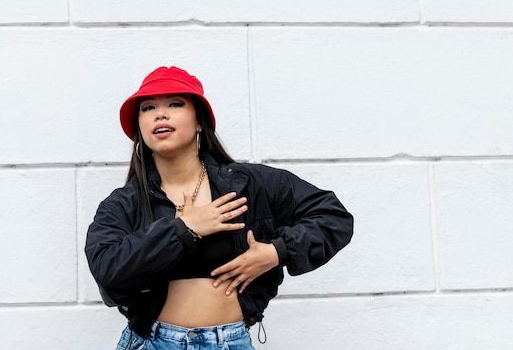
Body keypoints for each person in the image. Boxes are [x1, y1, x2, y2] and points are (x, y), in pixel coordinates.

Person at [85, 66, 354, 350]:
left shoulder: (251, 184)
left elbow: (333, 217)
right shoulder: (122, 203)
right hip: (152, 342)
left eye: (175, 104)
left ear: (199, 121)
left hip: (230, 342)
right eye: (148, 107)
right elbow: (107, 271)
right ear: (139, 127)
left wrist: (276, 252)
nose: (160, 114)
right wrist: (183, 229)